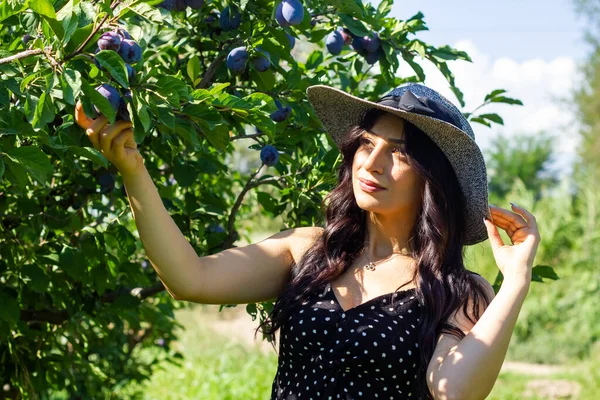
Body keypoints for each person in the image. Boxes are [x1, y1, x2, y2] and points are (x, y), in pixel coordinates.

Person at [75, 82, 541, 400]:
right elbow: (188, 277)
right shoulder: (309, 251)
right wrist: (133, 171)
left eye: (398, 153)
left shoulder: (454, 290)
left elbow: (453, 390)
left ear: (431, 180)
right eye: (366, 143)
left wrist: (515, 280)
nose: (371, 163)